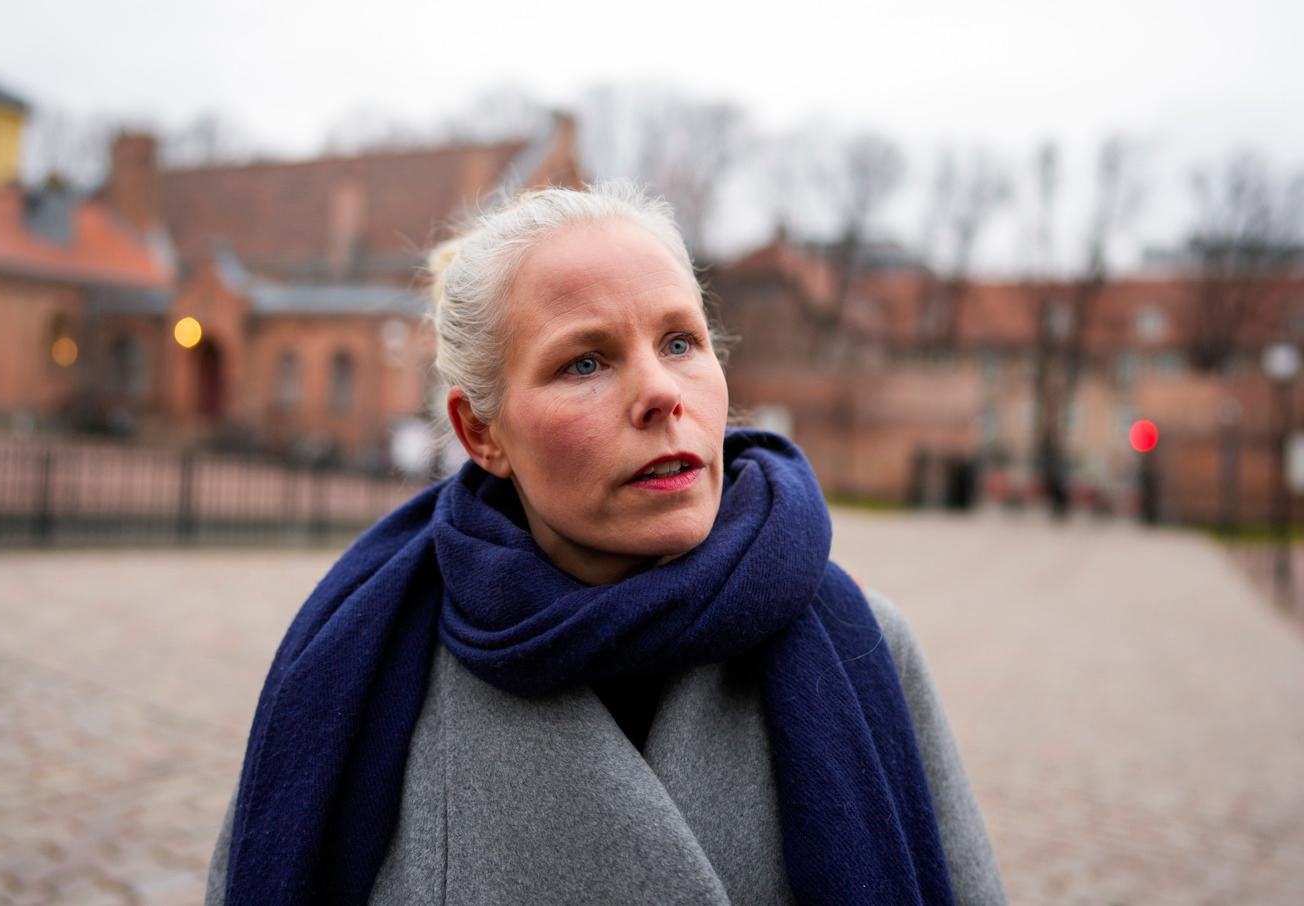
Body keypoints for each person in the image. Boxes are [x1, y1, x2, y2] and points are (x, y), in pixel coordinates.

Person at [205, 182, 1007, 905]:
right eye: (585, 362)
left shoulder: (861, 643)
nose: (661, 393)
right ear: (481, 432)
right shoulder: (363, 665)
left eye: (681, 343)